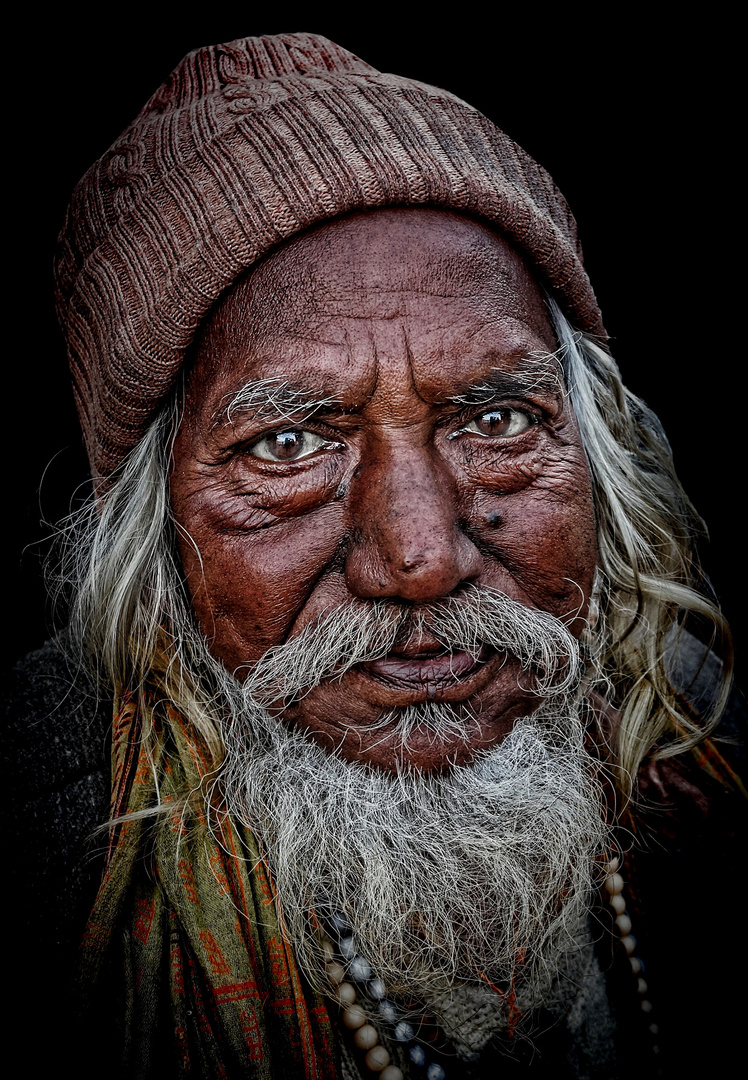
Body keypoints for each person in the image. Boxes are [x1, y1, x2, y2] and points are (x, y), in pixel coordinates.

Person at [5, 31, 745, 1079]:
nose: (421, 558)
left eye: (495, 420)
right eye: (286, 445)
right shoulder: (39, 856)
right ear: (148, 529)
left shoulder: (698, 740)